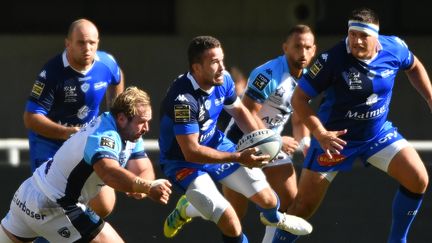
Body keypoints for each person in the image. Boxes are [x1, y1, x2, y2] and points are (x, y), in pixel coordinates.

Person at [273, 7, 431, 242]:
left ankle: (398, 240)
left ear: (376, 37)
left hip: (376, 134)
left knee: (418, 179)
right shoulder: (332, 59)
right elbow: (299, 99)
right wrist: (321, 133)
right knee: (303, 208)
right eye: (352, 34)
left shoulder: (395, 48)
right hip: (334, 140)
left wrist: (430, 98)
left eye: (363, 35)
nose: (355, 40)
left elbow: (414, 66)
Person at [158, 35, 312, 243]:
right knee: (230, 219)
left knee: (268, 200)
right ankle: (188, 207)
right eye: (214, 62)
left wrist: (263, 139)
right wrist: (238, 157)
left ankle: (275, 218)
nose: (222, 67)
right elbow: (191, 151)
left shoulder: (224, 79)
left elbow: (239, 112)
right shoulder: (183, 100)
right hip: (183, 163)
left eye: (222, 60)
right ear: (196, 68)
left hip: (215, 143)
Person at [0, 86, 172, 243]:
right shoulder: (105, 136)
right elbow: (109, 172)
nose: (147, 128)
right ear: (121, 118)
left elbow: (142, 167)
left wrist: (141, 183)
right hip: (56, 205)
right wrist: (147, 187)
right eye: (142, 122)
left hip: (28, 194)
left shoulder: (129, 133)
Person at [23, 18, 127, 221]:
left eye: (92, 43)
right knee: (50, 206)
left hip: (85, 141)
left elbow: (117, 75)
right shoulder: (52, 73)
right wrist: (66, 133)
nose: (87, 48)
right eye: (81, 43)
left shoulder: (105, 63)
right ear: (67, 43)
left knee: (104, 204)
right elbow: (31, 118)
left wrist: (114, 112)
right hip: (49, 143)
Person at [223, 24, 316, 243]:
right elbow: (246, 112)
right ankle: (191, 207)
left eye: (307, 47)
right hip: (240, 144)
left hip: (271, 145)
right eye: (297, 46)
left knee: (290, 203)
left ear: (314, 50)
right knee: (232, 217)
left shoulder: (309, 78)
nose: (302, 53)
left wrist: (305, 143)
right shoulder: (269, 73)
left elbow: (298, 117)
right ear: (285, 47)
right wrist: (276, 139)